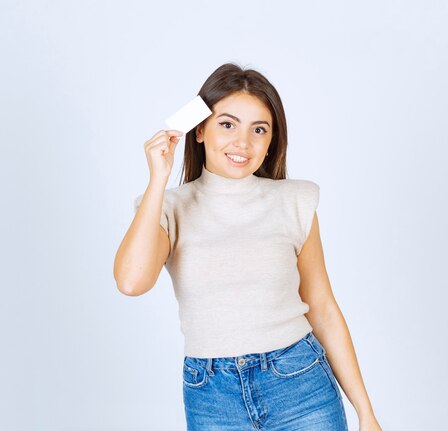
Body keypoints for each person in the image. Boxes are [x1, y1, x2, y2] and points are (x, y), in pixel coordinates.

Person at [114, 63, 382, 431]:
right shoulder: (168, 208)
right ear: (200, 130)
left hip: (300, 384)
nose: (243, 142)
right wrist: (157, 179)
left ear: (272, 140)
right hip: (212, 398)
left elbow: (323, 309)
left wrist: (365, 413)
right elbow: (131, 282)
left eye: (259, 129)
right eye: (228, 124)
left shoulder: (294, 201)